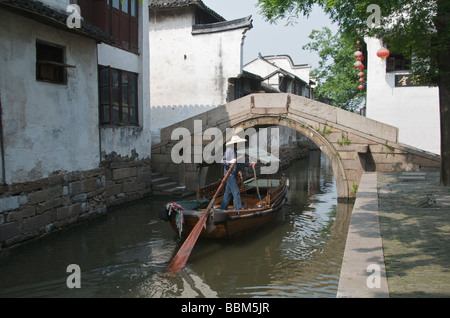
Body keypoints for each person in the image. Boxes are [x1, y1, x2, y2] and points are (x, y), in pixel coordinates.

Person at [220, 135, 256, 210]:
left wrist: (249, 164)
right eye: (239, 143)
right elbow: (222, 161)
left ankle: (222, 209)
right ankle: (238, 210)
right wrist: (229, 162)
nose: (240, 144)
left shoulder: (236, 151)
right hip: (229, 175)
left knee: (228, 194)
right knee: (236, 193)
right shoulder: (229, 150)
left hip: (233, 175)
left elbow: (240, 161)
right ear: (235, 143)